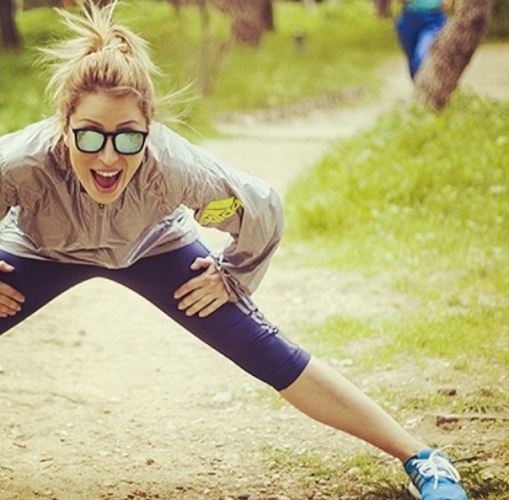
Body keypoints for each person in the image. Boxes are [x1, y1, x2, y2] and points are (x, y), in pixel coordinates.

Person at [0, 2, 467, 499]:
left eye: (128, 137)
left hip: (155, 246)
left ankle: (423, 459)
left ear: (149, 130)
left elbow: (259, 210)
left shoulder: (174, 169)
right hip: (43, 249)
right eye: (90, 135)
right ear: (65, 124)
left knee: (268, 352)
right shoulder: (22, 164)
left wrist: (231, 276)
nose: (109, 156)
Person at [396, 0, 453, 80]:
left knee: (421, 60)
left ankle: (427, 85)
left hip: (433, 20)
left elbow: (447, 4)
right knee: (413, 63)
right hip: (408, 18)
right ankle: (419, 85)